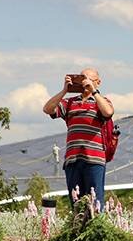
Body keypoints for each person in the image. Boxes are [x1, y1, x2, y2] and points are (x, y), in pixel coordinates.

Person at [41, 68, 114, 210]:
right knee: (76, 202)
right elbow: (47, 109)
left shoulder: (101, 101)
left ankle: (95, 223)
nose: (85, 82)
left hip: (94, 159)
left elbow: (108, 112)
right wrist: (64, 90)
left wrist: (94, 91)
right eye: (82, 79)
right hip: (73, 159)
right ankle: (77, 222)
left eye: (89, 79)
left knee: (95, 202)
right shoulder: (70, 102)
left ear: (98, 82)